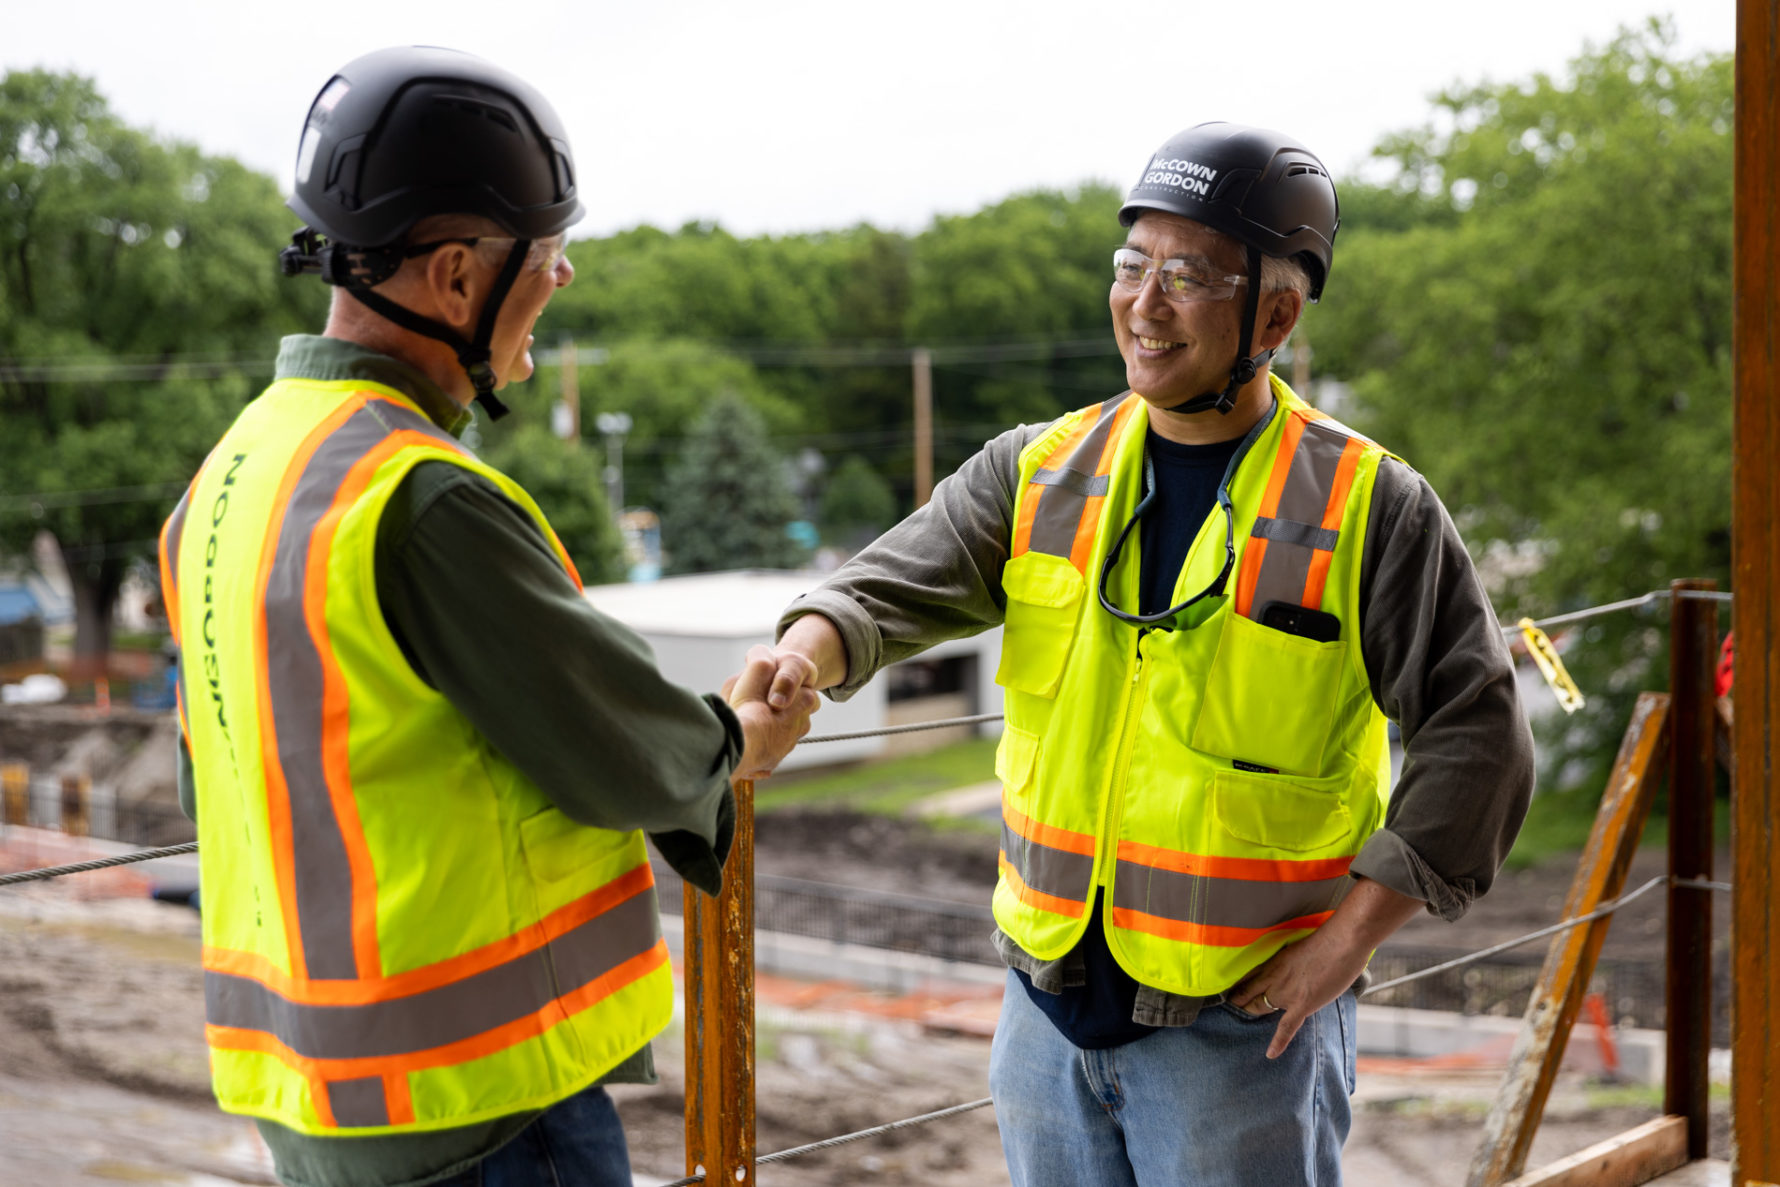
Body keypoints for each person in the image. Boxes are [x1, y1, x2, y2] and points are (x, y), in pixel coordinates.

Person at [767, 122, 1534, 1186]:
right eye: (1132, 266)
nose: (1146, 300)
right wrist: (801, 658)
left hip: (1239, 1040)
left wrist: (1348, 941)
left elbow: (1479, 737)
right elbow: (882, 586)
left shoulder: (1369, 507)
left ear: (1276, 309)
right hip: (1043, 1021)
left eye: (1190, 274)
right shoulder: (1041, 469)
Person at [157, 47, 816, 1187]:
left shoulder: (229, 475)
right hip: (481, 1100)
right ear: (457, 278)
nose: (558, 283)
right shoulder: (418, 496)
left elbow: (211, 774)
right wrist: (736, 739)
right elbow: (618, 749)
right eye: (546, 255)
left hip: (314, 1099)